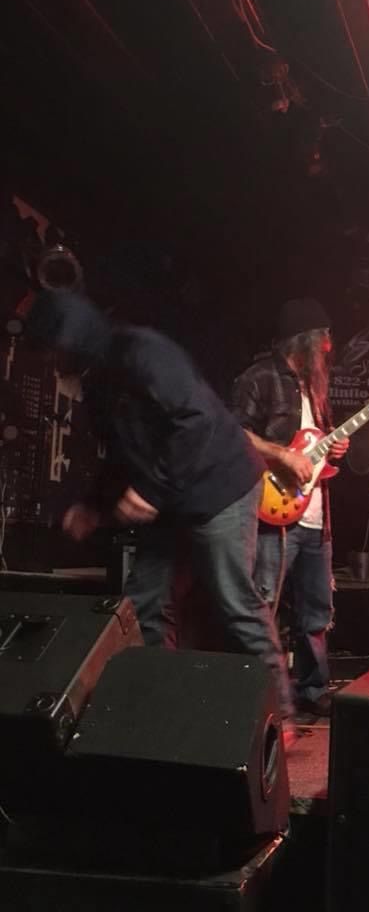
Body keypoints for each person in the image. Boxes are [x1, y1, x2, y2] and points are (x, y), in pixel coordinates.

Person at [23, 289, 295, 731]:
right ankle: (156, 708)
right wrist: (93, 505)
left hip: (219, 488)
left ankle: (280, 719)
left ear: (69, 338)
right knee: (143, 602)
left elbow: (196, 422)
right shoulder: (97, 382)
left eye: (52, 351)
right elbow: (119, 455)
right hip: (172, 502)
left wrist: (150, 490)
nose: (52, 363)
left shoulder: (141, 351)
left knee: (235, 602)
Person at [231, 297, 348, 718]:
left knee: (316, 610)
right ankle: (257, 694)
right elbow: (233, 433)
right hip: (272, 512)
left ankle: (312, 690)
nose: (329, 347)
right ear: (306, 340)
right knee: (264, 605)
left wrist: (333, 449)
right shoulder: (259, 377)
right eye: (324, 339)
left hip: (315, 515)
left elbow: (315, 448)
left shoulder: (316, 388)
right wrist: (281, 455)